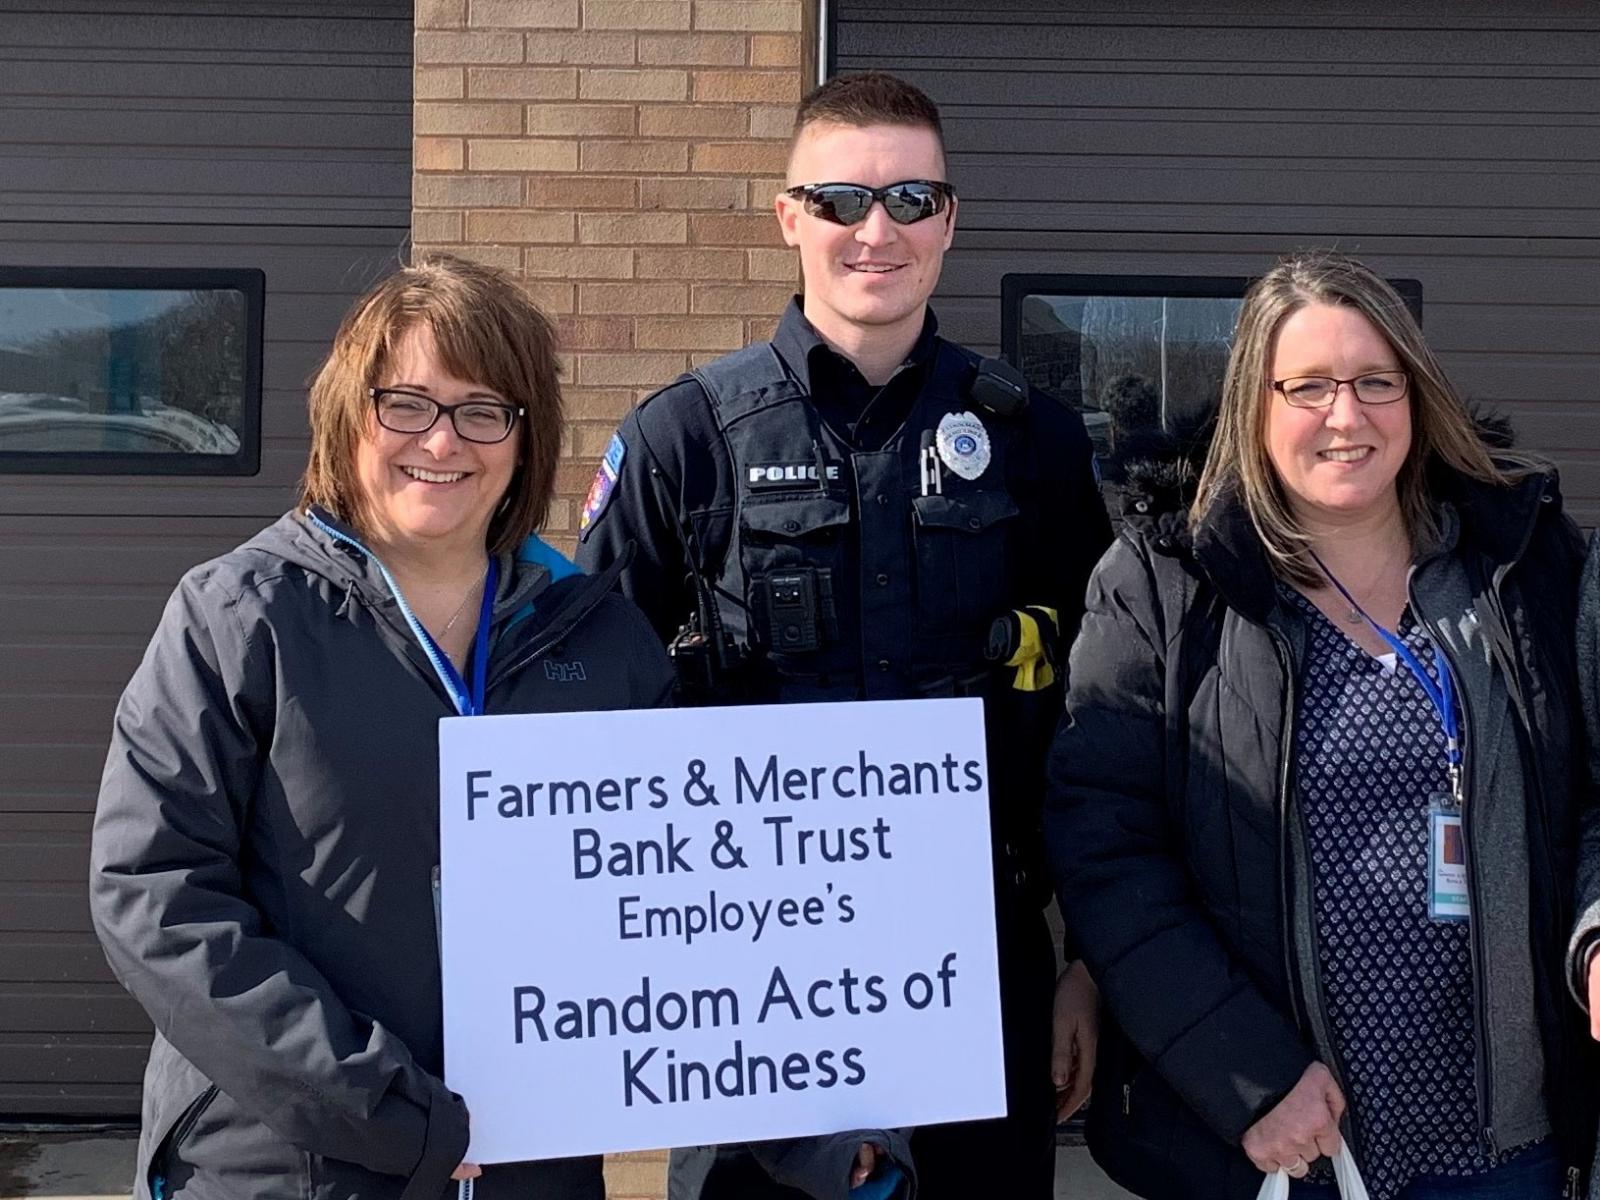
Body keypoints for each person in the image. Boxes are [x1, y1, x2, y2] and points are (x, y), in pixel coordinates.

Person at [574, 71, 1111, 1200]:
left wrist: (1084, 965)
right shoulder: (684, 439)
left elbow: (1104, 724)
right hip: (751, 973)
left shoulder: (1035, 443)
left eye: (912, 200)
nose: (878, 230)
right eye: (841, 201)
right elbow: (585, 721)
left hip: (982, 953)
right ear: (788, 218)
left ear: (950, 220)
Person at [90, 255, 674, 1200]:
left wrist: (815, 1123)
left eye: (485, 410)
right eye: (406, 403)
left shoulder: (604, 641)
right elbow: (154, 896)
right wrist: (384, 1108)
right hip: (291, 1164)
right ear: (347, 416)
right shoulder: (240, 617)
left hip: (535, 1165)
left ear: (525, 440)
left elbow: (689, 907)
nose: (443, 442)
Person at [1045, 251, 1597, 1200]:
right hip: (1285, 1147)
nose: (1346, 416)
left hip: (1508, 1149)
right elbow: (1109, 852)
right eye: (1307, 386)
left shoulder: (1522, 565)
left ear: (1417, 396)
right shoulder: (1166, 588)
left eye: (1376, 382)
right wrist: (1246, 1077)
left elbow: (1593, 788)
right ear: (1255, 406)